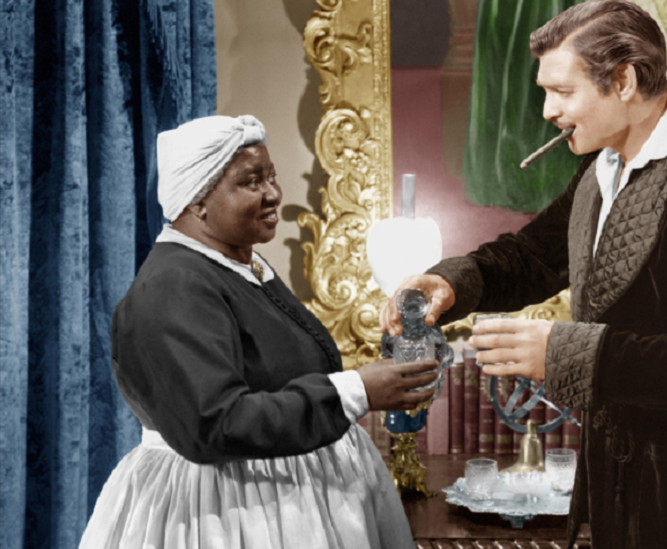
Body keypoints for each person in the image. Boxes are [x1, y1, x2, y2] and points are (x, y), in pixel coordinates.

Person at [380, 1, 667, 548]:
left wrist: (565, 353)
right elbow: (533, 256)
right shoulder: (603, 170)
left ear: (623, 81)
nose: (548, 110)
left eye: (563, 91)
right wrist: (451, 282)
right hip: (619, 495)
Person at [80, 114, 435, 549]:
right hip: (231, 512)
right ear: (197, 200)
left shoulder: (239, 266)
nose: (274, 194)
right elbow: (213, 425)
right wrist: (356, 390)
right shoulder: (172, 286)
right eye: (251, 181)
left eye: (271, 176)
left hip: (279, 495)